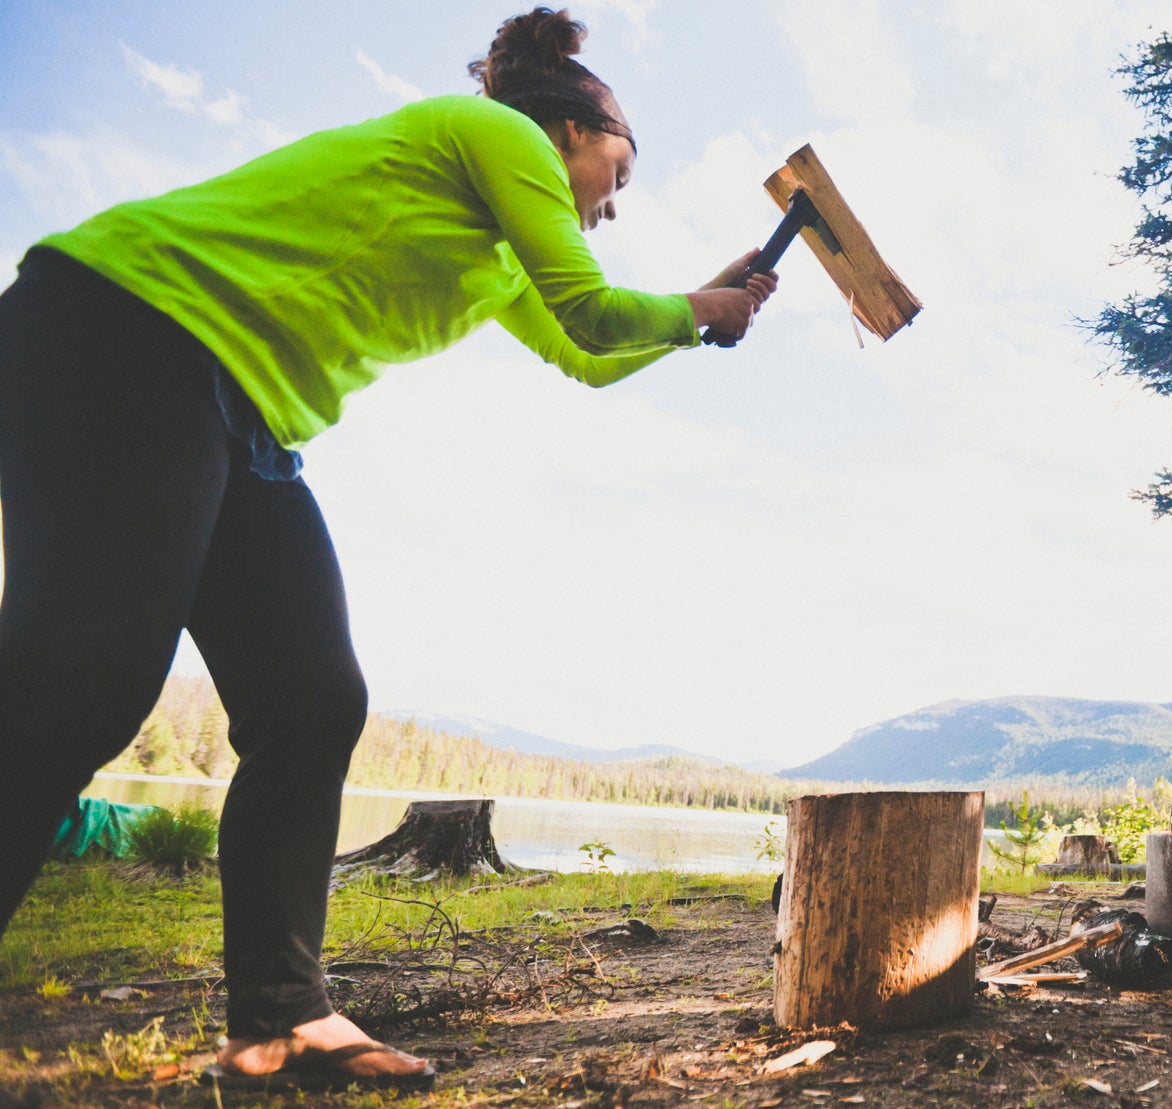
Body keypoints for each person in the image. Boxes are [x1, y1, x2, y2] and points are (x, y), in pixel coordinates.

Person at [0, 7, 773, 1091]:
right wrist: (697, 306)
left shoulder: (504, 252)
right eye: (620, 170)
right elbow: (596, 314)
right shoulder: (495, 131)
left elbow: (586, 353)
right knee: (79, 679)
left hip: (249, 416)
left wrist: (701, 310)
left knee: (312, 696)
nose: (611, 201)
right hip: (128, 326)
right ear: (566, 128)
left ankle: (280, 1020)